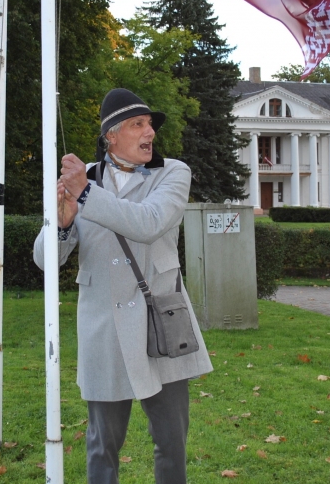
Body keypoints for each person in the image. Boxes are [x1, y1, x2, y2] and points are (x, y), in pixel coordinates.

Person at [34, 88, 213, 484]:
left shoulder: (173, 172)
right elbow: (45, 259)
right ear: (111, 136)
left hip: (160, 324)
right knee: (102, 447)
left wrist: (85, 194)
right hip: (104, 329)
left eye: (150, 124)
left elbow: (148, 223)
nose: (150, 132)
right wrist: (62, 224)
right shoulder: (84, 181)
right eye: (138, 124)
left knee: (171, 442)